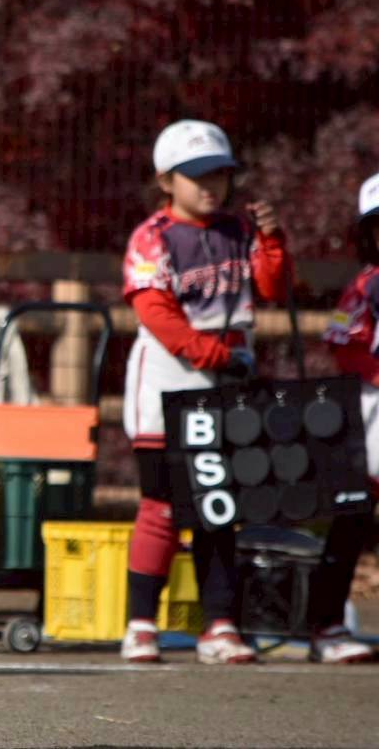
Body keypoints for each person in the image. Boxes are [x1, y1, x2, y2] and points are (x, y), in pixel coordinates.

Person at [120, 119, 290, 664]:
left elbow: (273, 287)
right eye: (196, 175)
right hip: (169, 380)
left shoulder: (241, 231)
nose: (211, 185)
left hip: (227, 382)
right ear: (166, 181)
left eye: (219, 173)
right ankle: (140, 624)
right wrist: (213, 355)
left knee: (219, 507)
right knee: (163, 507)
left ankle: (219, 625)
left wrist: (272, 240)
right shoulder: (153, 236)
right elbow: (155, 311)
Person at [315, 170, 379, 664]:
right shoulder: (365, 287)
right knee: (352, 517)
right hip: (370, 414)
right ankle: (327, 624)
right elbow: (340, 340)